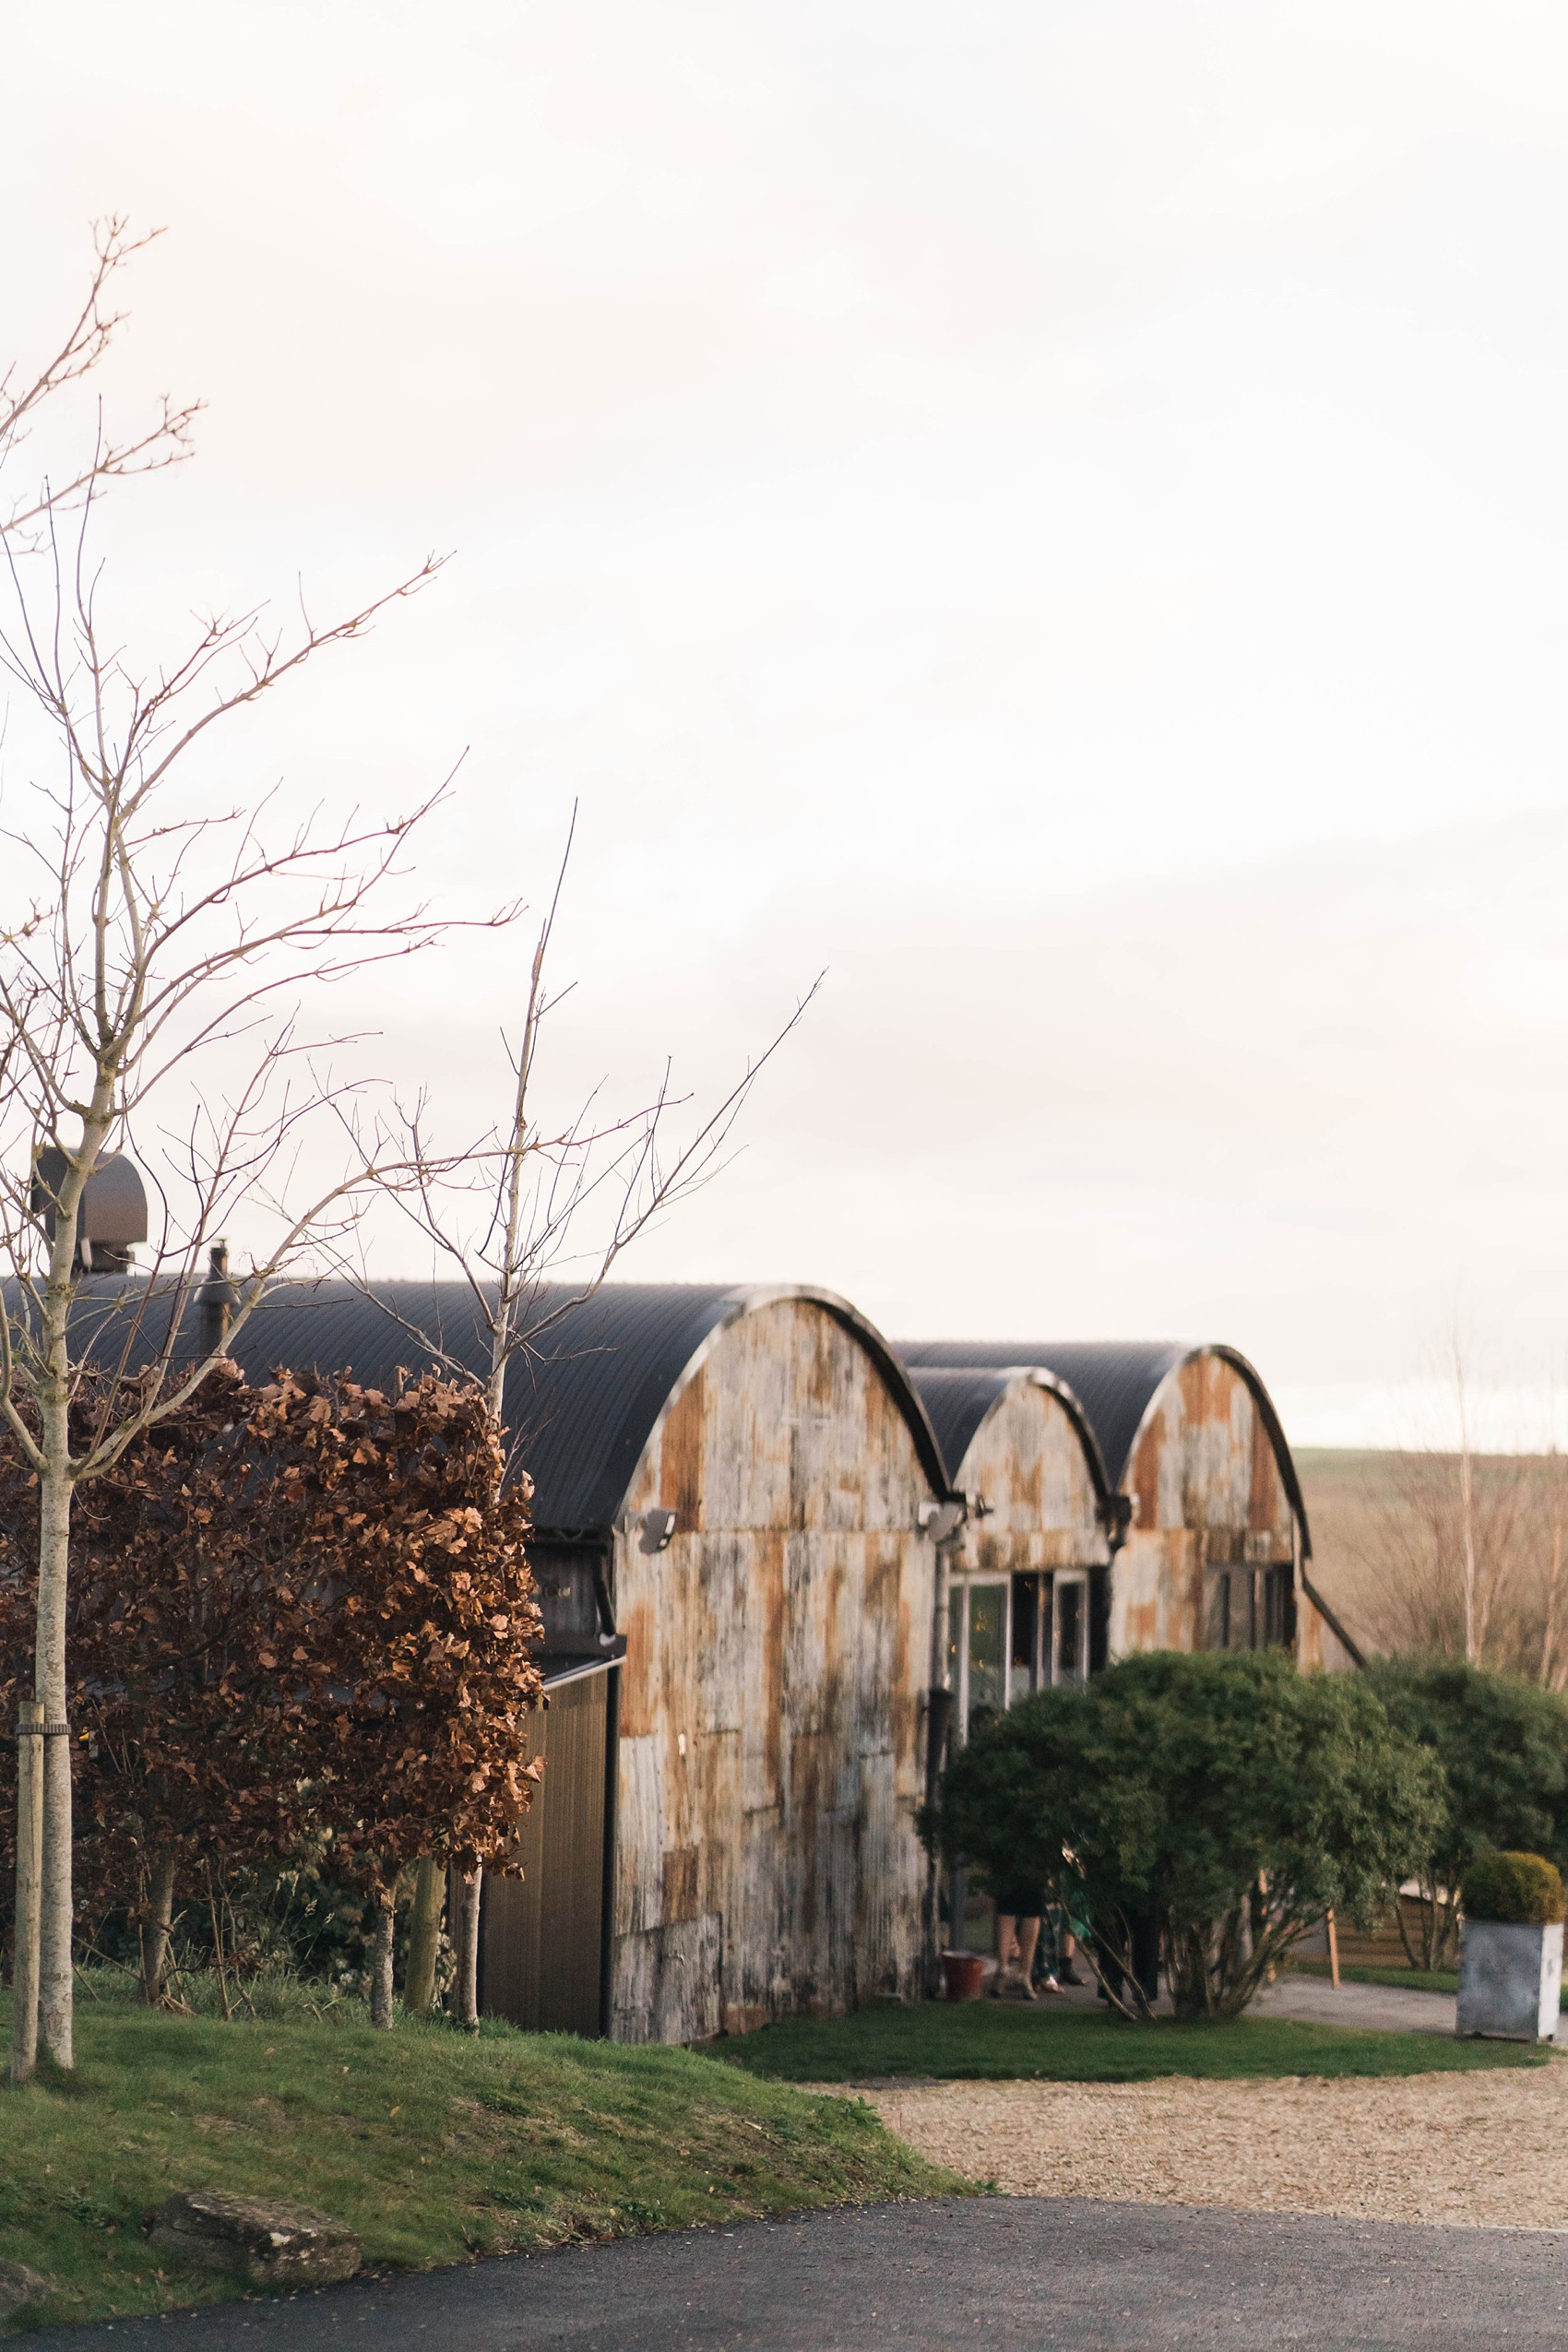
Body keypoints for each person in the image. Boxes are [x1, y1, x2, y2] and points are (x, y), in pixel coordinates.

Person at [989, 1876, 1058, 1998]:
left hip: (1007, 1863)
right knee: (1032, 1914)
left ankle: (1002, 1967)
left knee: (1006, 1911)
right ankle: (1024, 1974)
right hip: (1033, 1866)